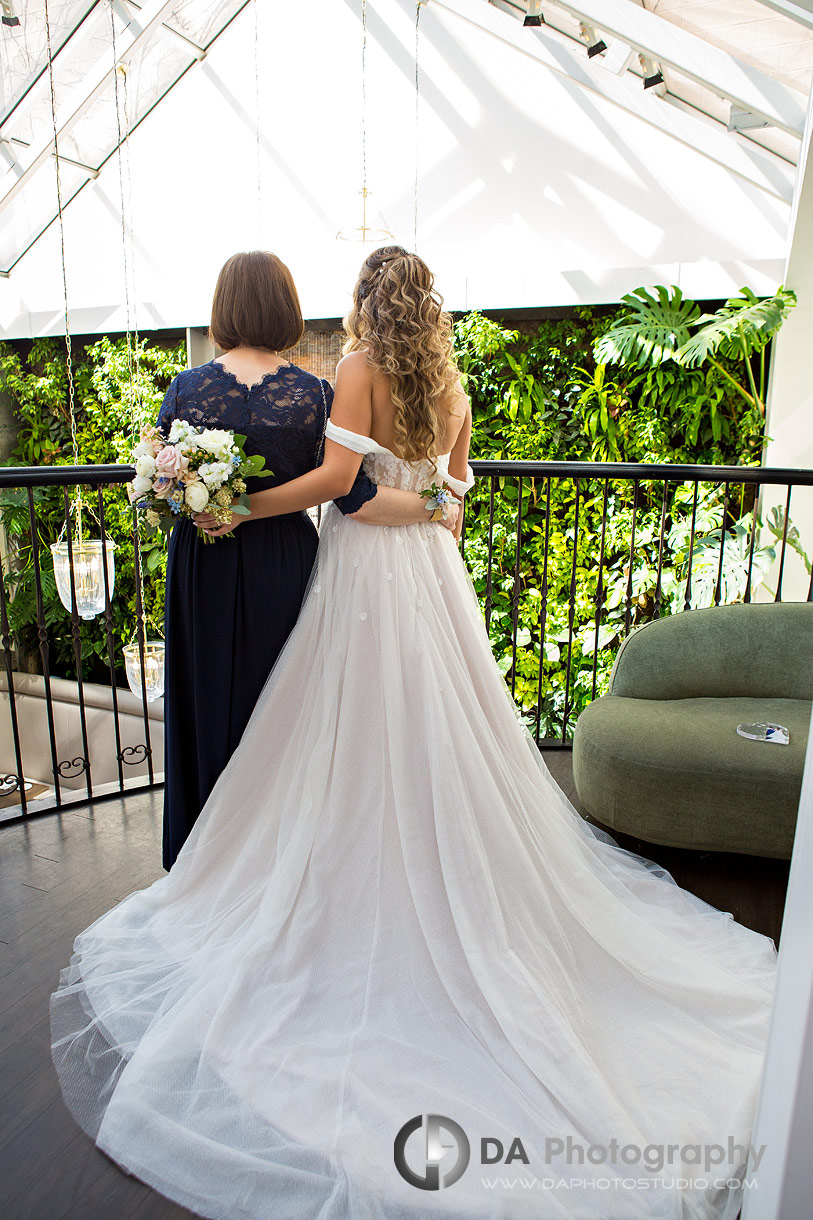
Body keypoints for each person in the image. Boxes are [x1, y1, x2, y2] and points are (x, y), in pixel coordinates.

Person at [51, 246, 777, 1220]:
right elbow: (456, 494)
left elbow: (344, 487)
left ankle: (361, 884)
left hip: (363, 582)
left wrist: (244, 505)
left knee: (349, 743)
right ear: (429, 304)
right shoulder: (454, 380)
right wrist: (433, 506)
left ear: (364, 301)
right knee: (442, 740)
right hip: (435, 583)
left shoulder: (358, 369)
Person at [155, 249, 458, 870]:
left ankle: (209, 846)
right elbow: (431, 490)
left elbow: (346, 486)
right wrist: (434, 507)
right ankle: (328, 846)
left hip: (216, 558)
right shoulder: (323, 391)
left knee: (232, 691)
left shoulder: (192, 387)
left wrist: (222, 506)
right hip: (310, 560)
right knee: (312, 703)